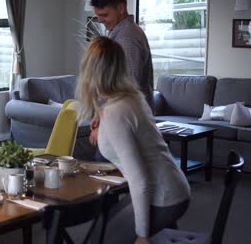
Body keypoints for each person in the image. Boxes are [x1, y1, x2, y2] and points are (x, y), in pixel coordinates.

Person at [75, 36, 190, 244]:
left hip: (163, 198)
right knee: (102, 225)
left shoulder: (115, 113)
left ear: (90, 72)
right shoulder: (132, 97)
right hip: (175, 187)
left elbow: (140, 180)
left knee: (98, 240)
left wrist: (142, 235)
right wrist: (101, 120)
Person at [88, 0, 154, 148]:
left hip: (124, 122)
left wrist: (105, 119)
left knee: (108, 170)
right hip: (121, 118)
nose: (101, 21)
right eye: (98, 16)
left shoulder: (127, 38)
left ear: (121, 7)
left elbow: (129, 86)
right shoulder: (123, 34)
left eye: (105, 15)